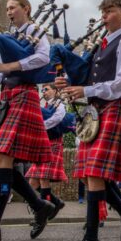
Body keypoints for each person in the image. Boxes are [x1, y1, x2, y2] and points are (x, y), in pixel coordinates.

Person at [57, 0, 121, 241]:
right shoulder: (100, 45)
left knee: (95, 173)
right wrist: (73, 86)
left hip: (113, 108)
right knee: (90, 173)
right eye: (103, 11)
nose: (105, 16)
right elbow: (89, 76)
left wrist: (86, 89)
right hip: (95, 109)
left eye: (110, 11)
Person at [0, 0, 56, 241]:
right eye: (6, 8)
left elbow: (43, 59)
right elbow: (10, 70)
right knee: (1, 160)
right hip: (7, 97)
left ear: (26, 9)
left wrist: (10, 66)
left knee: (2, 158)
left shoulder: (35, 31)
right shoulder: (13, 34)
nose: (8, 12)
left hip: (24, 96)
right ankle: (39, 205)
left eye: (12, 7)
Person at [26, 83, 68, 219]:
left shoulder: (59, 104)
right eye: (42, 90)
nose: (44, 92)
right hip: (42, 143)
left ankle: (42, 214)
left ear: (55, 91)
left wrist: (41, 126)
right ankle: (55, 202)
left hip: (53, 143)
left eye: (47, 89)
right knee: (32, 183)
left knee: (44, 179)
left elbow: (57, 118)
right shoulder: (43, 106)